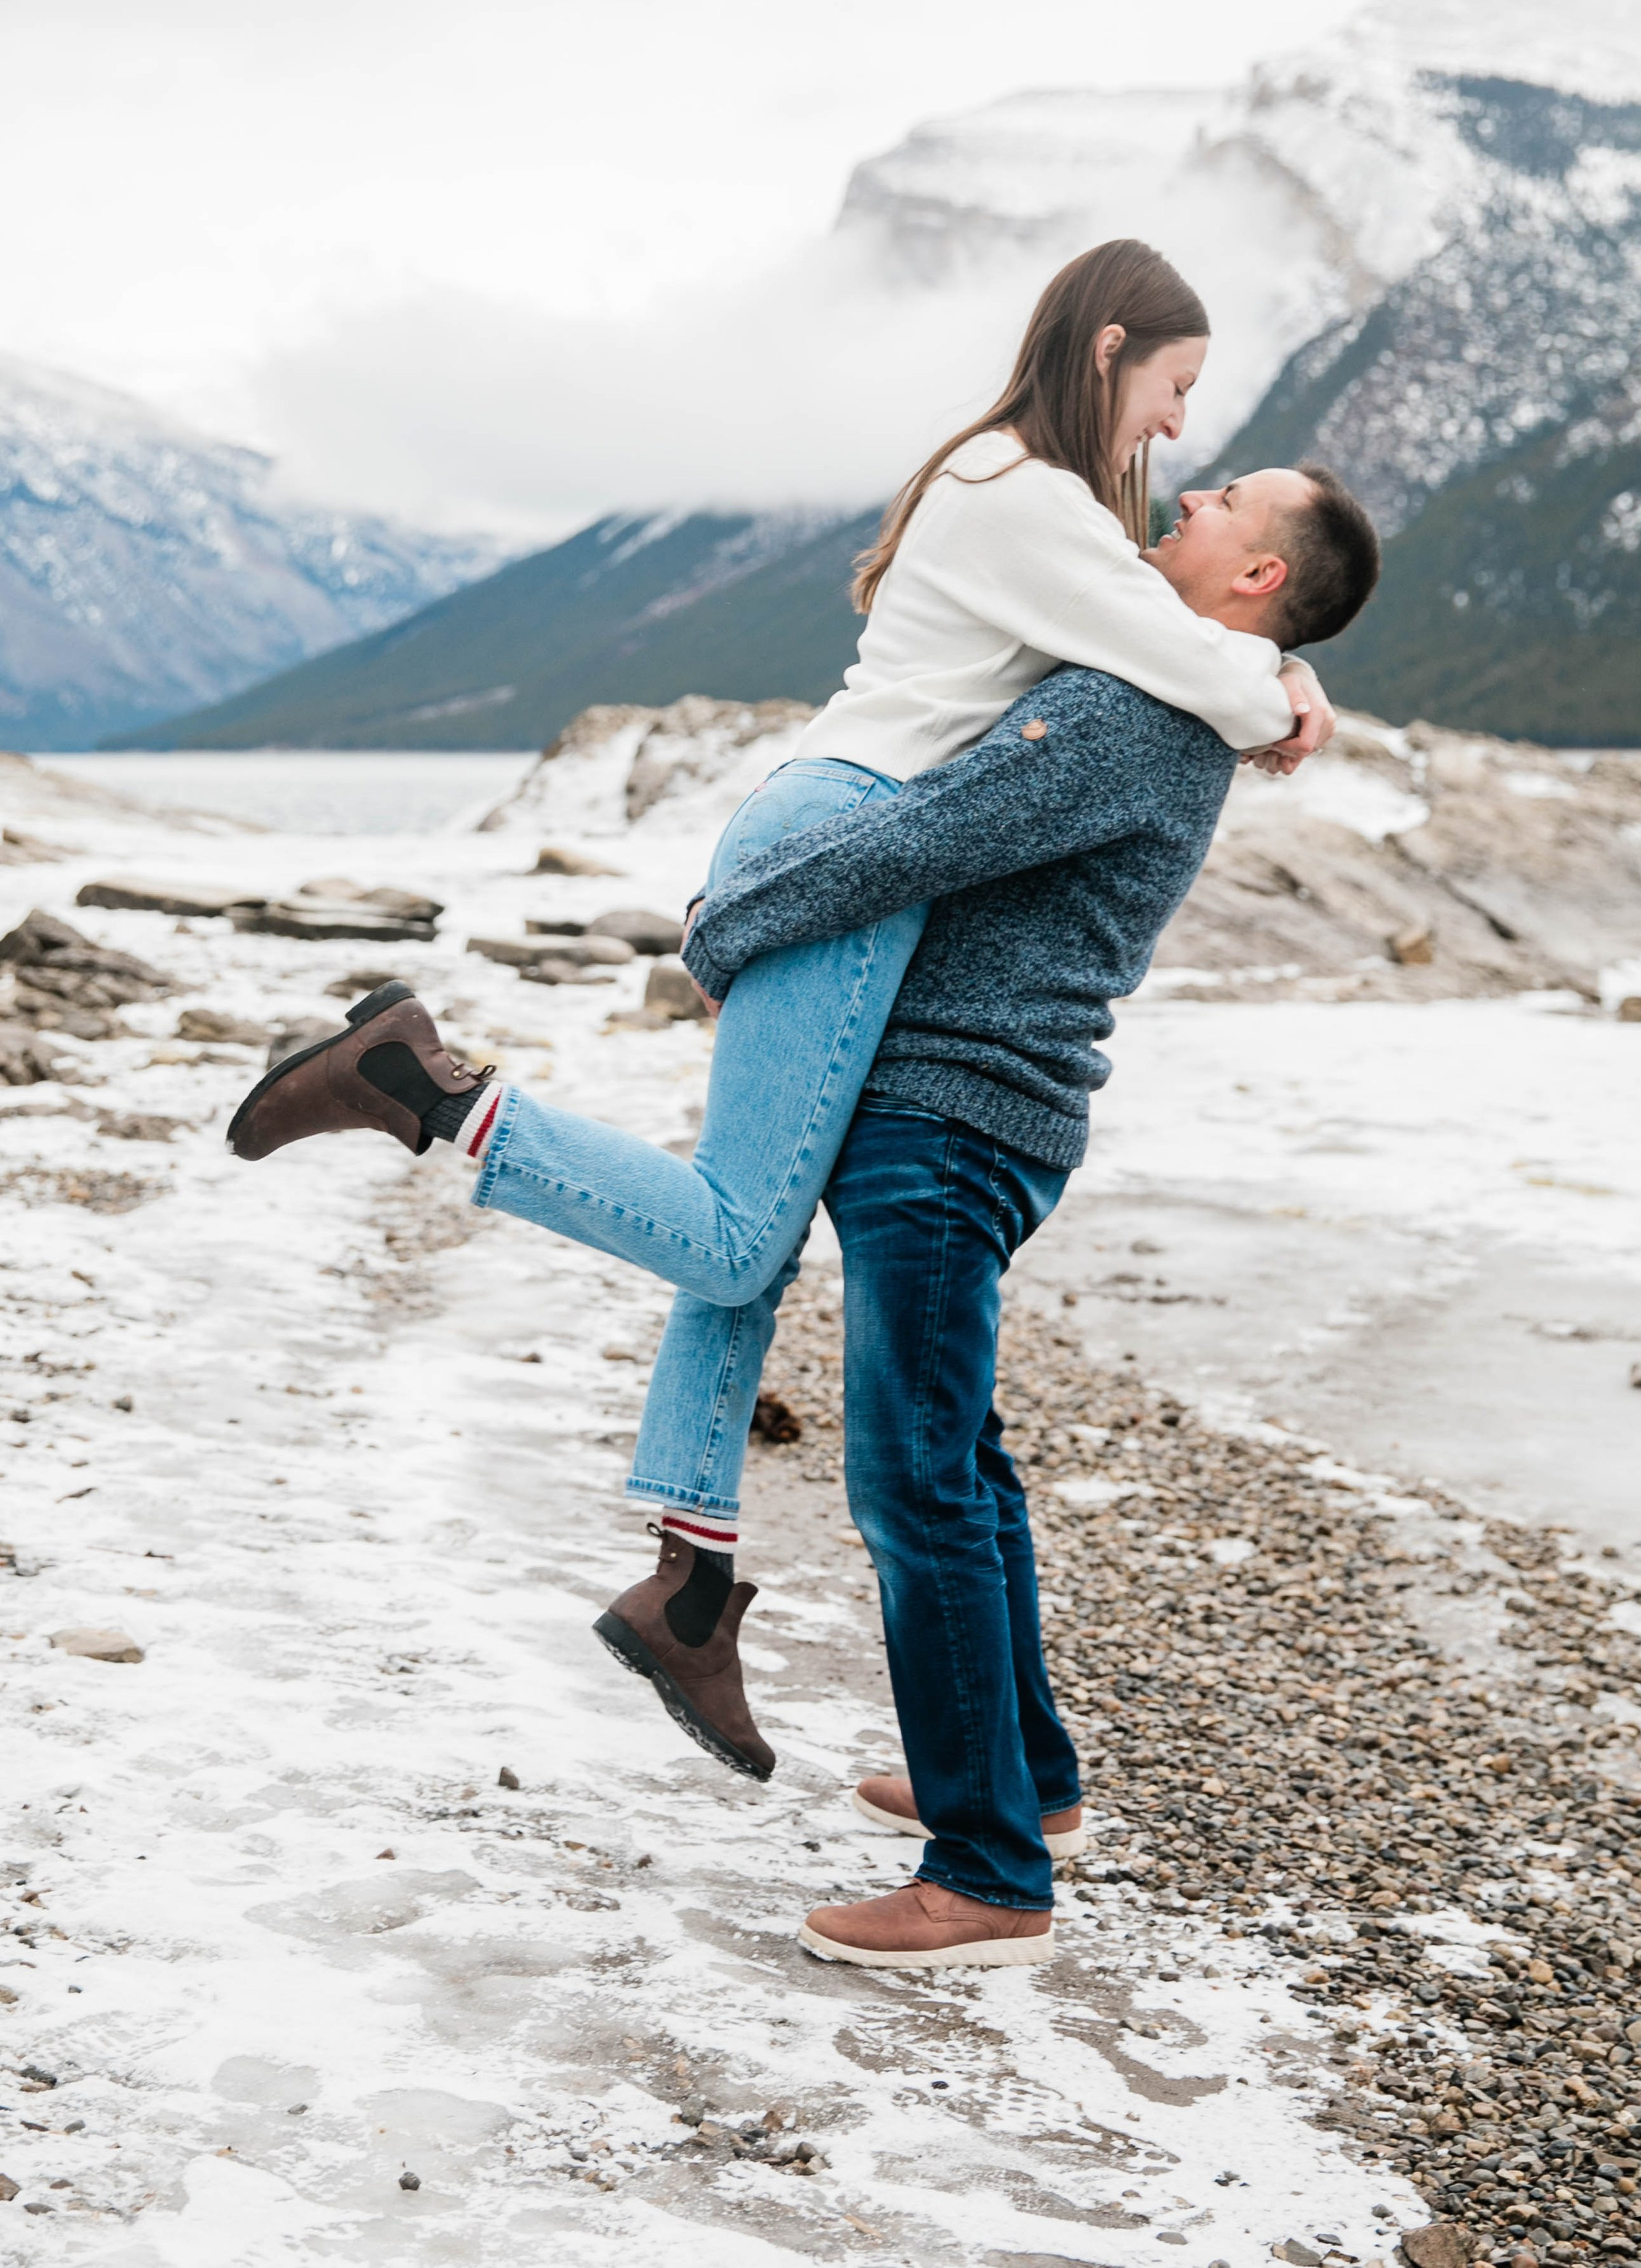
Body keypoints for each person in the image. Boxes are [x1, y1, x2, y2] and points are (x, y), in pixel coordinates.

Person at [225, 240, 1337, 1767]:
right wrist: (1286, 691)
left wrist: (1268, 671)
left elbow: (1179, 645)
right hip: (854, 835)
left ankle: (690, 1593)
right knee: (740, 1229)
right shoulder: (1028, 496)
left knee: (741, 1240)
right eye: (1172, 389)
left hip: (831, 818)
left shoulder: (1020, 488)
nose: (1174, 432)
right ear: (1108, 354)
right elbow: (1177, 657)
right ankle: (420, 1088)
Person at [649, 460, 1382, 1965]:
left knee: (916, 1479)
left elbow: (918, 838)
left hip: (944, 1118)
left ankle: (984, 1873)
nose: (1193, 481)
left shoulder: (1124, 714)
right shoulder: (1177, 686)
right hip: (994, 1114)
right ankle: (1021, 1779)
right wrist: (1286, 677)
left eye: (1231, 493)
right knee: (961, 1461)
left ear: (1256, 577)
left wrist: (729, 926)